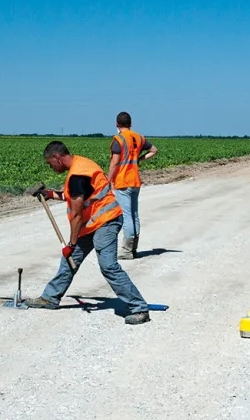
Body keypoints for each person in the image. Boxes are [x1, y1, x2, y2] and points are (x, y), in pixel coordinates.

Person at [27, 140, 151, 325]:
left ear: (57, 158)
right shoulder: (81, 165)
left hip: (106, 221)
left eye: (50, 163)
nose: (50, 167)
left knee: (108, 266)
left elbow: (76, 215)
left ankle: (139, 308)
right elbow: (78, 195)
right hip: (93, 222)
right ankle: (50, 298)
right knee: (70, 261)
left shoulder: (78, 175)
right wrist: (51, 194)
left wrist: (71, 244)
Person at [106, 111, 158, 260]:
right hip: (135, 180)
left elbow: (115, 162)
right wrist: (139, 159)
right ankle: (133, 248)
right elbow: (154, 150)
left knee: (127, 215)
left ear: (117, 124)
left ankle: (127, 251)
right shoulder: (139, 137)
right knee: (134, 215)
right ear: (130, 123)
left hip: (123, 181)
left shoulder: (119, 139)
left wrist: (108, 180)